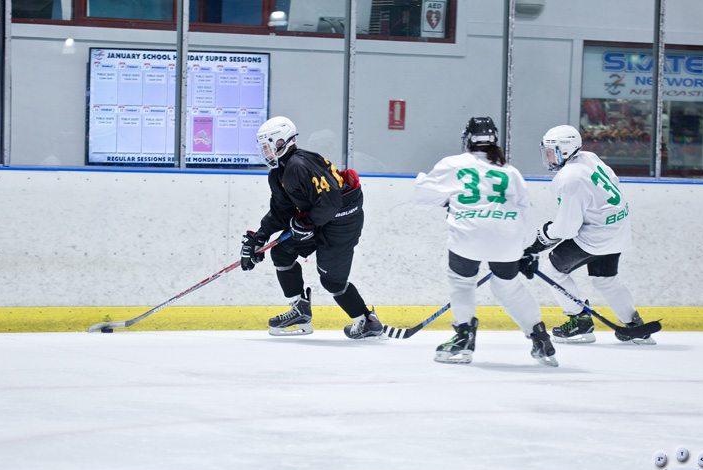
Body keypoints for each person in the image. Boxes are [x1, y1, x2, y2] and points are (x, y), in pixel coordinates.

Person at [414, 117, 558, 367]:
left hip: (468, 234)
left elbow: (422, 196)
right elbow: (526, 209)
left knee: (462, 282)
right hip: (508, 235)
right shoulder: (510, 171)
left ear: (467, 139)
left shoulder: (453, 163)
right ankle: (539, 337)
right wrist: (525, 249)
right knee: (508, 288)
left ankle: (463, 338)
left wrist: (448, 200)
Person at [239, 116, 384, 340]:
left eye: (267, 146)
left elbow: (330, 202)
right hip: (319, 218)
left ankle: (367, 322)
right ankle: (300, 311)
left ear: (281, 142)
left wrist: (304, 224)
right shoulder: (278, 173)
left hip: (342, 222)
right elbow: (281, 211)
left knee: (331, 280)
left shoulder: (300, 165)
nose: (264, 152)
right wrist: (260, 238)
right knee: (281, 252)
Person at [520, 124, 657, 345]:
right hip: (617, 229)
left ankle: (580, 323)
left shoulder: (569, 178)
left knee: (552, 270)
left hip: (596, 236)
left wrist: (542, 238)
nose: (547, 157)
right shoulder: (588, 158)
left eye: (551, 151)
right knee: (605, 280)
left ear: (565, 151)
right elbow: (613, 184)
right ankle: (635, 327)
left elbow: (567, 228)